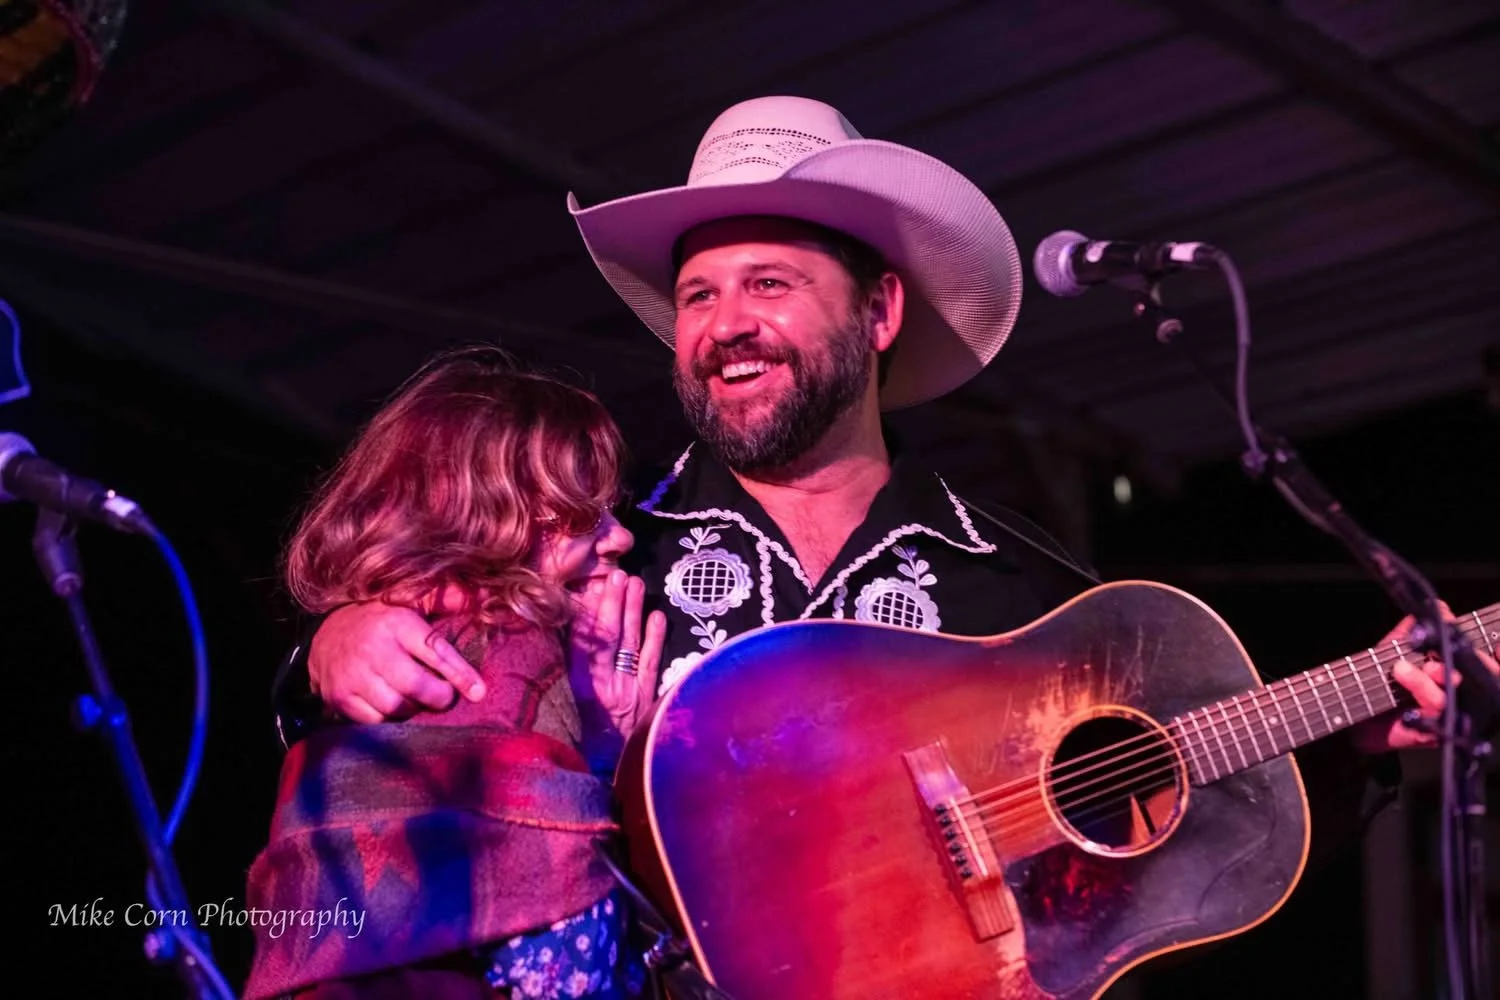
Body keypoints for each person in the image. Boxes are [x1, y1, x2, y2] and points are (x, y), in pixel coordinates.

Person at [271, 97, 1487, 991]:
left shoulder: (1021, 590)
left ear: (880, 311)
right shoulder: (595, 548)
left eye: (769, 285)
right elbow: (417, 770)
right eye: (698, 297)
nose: (725, 327)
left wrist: (1357, 732)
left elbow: (1164, 853)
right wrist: (334, 643)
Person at [245, 347, 664, 1000]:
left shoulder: (373, 688)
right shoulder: (505, 652)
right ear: (487, 516)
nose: (620, 538)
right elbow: (565, 960)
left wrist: (595, 759)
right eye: (584, 511)